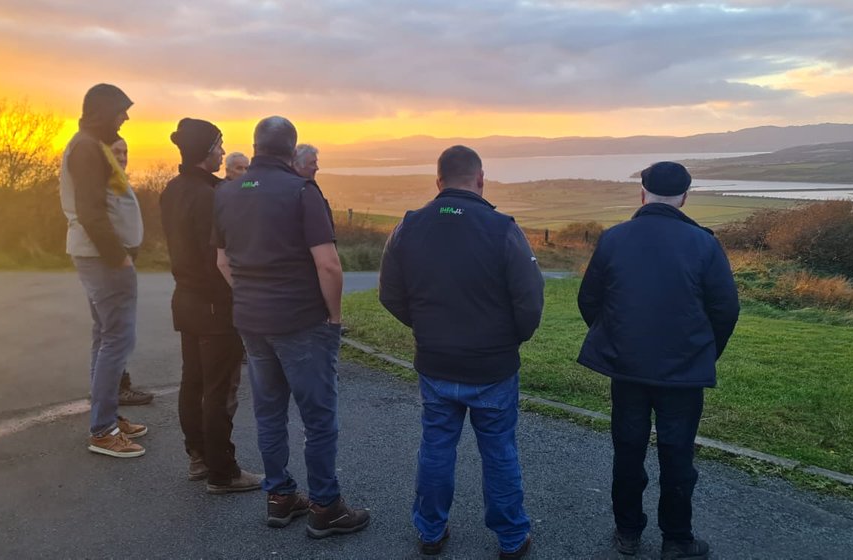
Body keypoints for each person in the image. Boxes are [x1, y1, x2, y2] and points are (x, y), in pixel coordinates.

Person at [379, 145, 542, 559]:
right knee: (499, 451)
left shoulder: (407, 227)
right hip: (493, 365)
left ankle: (430, 531)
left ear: (438, 182)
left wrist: (426, 328)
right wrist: (510, 340)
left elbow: (390, 294)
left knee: (436, 446)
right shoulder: (503, 227)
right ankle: (510, 538)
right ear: (481, 178)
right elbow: (529, 301)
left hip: (435, 361)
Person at [213, 116, 370, 538]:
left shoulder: (227, 192)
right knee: (318, 416)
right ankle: (325, 505)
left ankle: (280, 497)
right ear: (290, 149)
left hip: (250, 320)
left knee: (269, 411)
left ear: (257, 146)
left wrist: (249, 294)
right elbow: (328, 264)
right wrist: (333, 317)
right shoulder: (302, 191)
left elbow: (223, 262)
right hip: (301, 321)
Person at [576, 162, 739, 560]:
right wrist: (703, 350)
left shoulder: (614, 238)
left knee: (628, 450)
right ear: (685, 196)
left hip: (627, 369)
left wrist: (616, 339)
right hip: (683, 373)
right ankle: (677, 539)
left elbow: (589, 301)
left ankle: (628, 532)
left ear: (642, 193)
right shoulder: (704, 243)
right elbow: (725, 309)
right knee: (678, 454)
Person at [161, 118, 263, 493]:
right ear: (207, 152)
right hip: (217, 304)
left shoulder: (171, 190)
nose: (223, 152)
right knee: (219, 389)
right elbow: (225, 254)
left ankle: (199, 457)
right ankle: (224, 472)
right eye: (219, 146)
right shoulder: (215, 195)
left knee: (193, 382)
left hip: (185, 299)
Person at [59, 83, 148, 458]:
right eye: (121, 110)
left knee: (105, 336)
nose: (125, 117)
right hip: (103, 258)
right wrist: (118, 256)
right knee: (117, 339)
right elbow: (92, 211)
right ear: (104, 110)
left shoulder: (90, 145)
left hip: (100, 256)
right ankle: (103, 430)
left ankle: (107, 416)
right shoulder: (85, 148)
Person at [106, 136, 155, 406]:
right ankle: (116, 388)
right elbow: (98, 222)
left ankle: (114, 387)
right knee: (115, 330)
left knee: (118, 328)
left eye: (126, 151)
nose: (123, 156)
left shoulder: (118, 180)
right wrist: (119, 258)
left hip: (123, 261)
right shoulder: (104, 183)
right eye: (117, 151)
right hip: (113, 265)